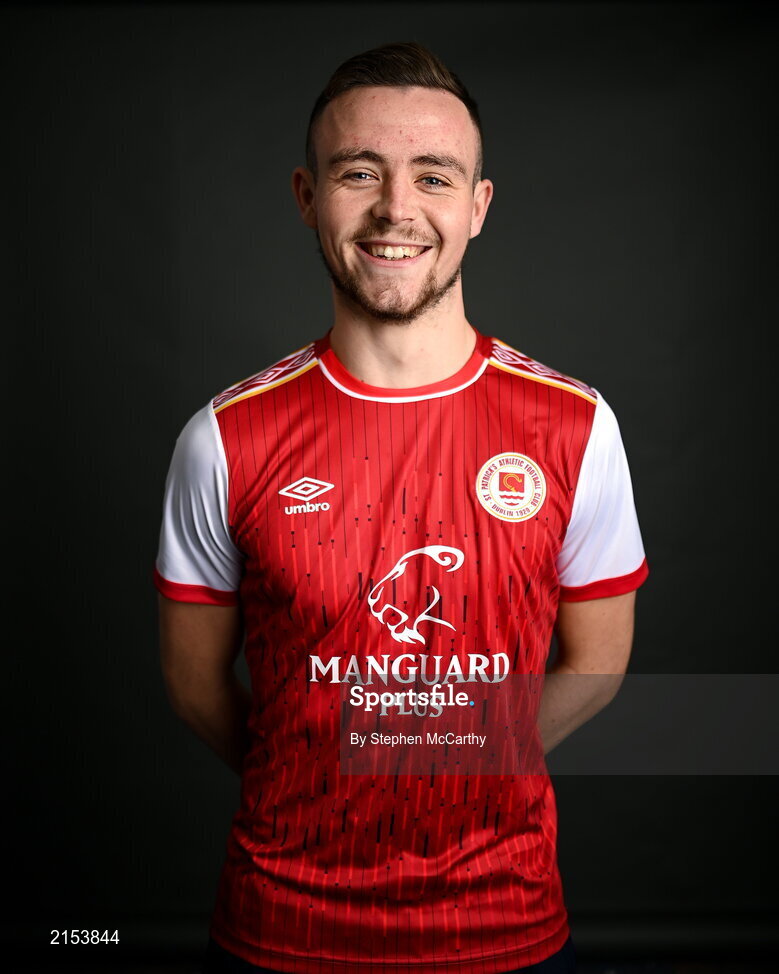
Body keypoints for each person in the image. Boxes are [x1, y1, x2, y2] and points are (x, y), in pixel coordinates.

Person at [154, 41, 648, 974]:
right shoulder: (223, 439)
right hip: (278, 929)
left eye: (433, 176)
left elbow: (597, 661)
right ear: (307, 197)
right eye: (358, 173)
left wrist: (460, 758)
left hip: (505, 927)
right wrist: (313, 772)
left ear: (477, 206)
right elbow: (192, 685)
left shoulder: (575, 426)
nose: (395, 208)